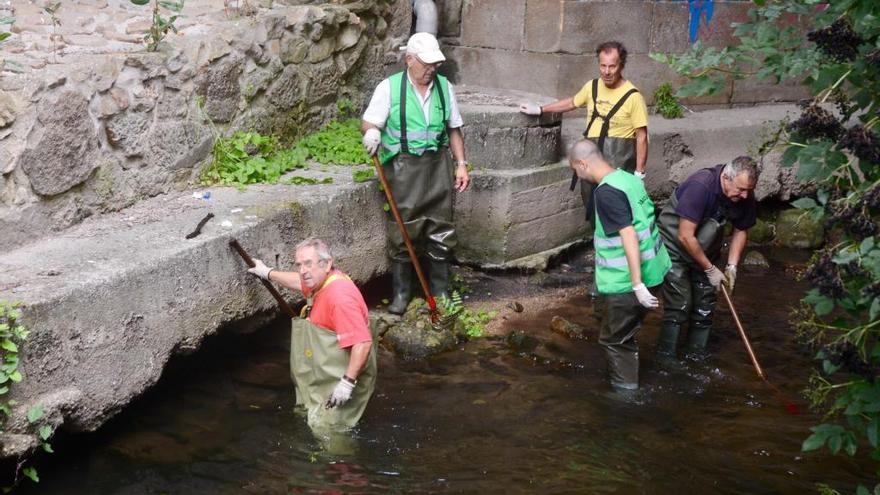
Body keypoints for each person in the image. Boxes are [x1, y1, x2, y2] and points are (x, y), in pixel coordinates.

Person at [361, 32, 470, 315]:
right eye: (426, 63)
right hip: (402, 168)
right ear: (409, 60)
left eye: (435, 64)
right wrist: (372, 132)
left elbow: (453, 129)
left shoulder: (445, 88)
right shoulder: (389, 88)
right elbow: (370, 121)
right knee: (403, 230)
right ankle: (401, 293)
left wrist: (460, 164)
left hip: (437, 166)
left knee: (441, 227)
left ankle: (440, 290)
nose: (432, 69)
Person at [568, 139, 670, 391]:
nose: (577, 175)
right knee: (610, 322)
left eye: (575, 170)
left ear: (583, 163)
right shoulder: (627, 179)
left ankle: (627, 397)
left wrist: (637, 285)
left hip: (627, 281)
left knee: (615, 341)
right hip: (656, 270)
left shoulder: (606, 193)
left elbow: (629, 235)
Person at [247, 238, 377, 431]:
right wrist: (267, 273)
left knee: (333, 434)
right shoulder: (321, 281)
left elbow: (363, 344)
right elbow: (299, 282)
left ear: (327, 264)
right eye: (299, 264)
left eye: (308, 263)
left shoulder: (340, 298)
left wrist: (347, 384)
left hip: (341, 379)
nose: (302, 270)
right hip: (325, 373)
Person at [519, 40, 649, 217]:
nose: (607, 72)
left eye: (612, 66)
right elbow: (572, 102)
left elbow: (641, 136)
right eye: (603, 66)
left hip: (619, 159)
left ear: (621, 65)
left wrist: (639, 173)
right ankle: (599, 241)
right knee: (591, 202)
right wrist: (541, 109)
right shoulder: (592, 86)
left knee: (617, 207)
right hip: (592, 157)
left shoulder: (633, 96)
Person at [657, 157, 759, 363]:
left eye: (749, 190)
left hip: (704, 250)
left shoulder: (743, 194)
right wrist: (711, 270)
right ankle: (666, 359)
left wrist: (732, 267)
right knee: (680, 304)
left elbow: (741, 230)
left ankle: (695, 356)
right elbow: (685, 235)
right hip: (673, 248)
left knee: (705, 304)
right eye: (741, 189)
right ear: (726, 178)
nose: (745, 195)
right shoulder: (700, 186)